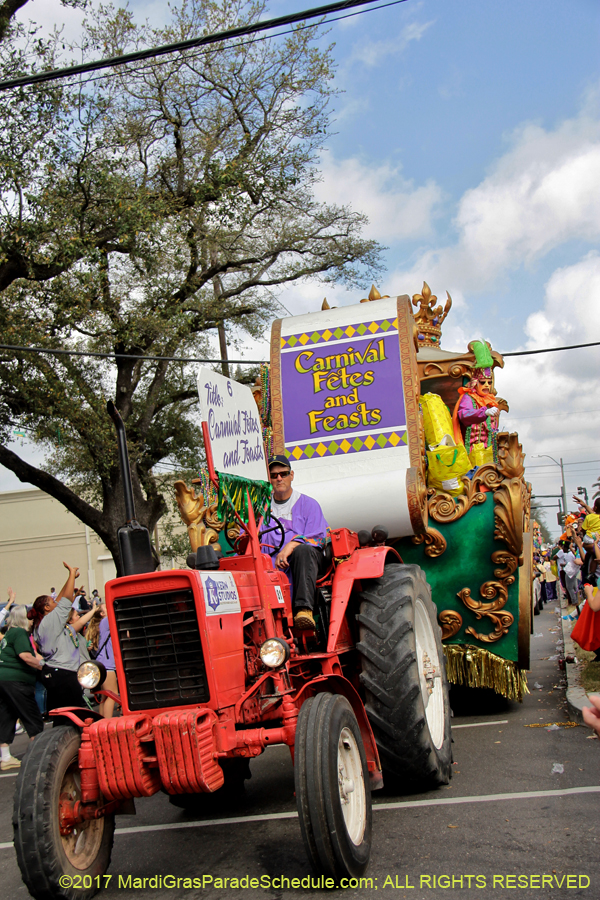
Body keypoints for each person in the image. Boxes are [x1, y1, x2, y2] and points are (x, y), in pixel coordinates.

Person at [260, 455, 328, 630]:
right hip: (270, 566)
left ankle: (304, 610)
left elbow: (319, 537)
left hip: (303, 563)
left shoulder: (308, 504)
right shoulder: (260, 508)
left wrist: (290, 546)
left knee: (303, 551)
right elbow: (248, 536)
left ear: (292, 475)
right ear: (269, 479)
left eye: (283, 473)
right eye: (274, 475)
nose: (279, 478)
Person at [27, 563, 98, 726]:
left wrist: (70, 577)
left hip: (56, 673)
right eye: (52, 602)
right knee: (74, 716)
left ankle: (65, 745)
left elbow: (62, 602)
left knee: (63, 717)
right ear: (46, 607)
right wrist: (72, 575)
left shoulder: (47, 625)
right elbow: (64, 601)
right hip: (63, 674)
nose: (55, 602)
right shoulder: (50, 622)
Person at [0, 606, 45, 770]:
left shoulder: (9, 634)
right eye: (30, 617)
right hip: (16, 680)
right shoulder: (20, 633)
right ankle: (36, 757)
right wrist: (44, 666)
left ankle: (5, 758)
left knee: (6, 716)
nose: (32, 620)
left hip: (3, 679)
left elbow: (32, 654)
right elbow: (26, 656)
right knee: (31, 716)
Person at [452, 341, 500, 459]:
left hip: (489, 452)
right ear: (475, 383)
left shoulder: (491, 401)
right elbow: (464, 414)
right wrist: (484, 412)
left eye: (489, 382)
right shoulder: (468, 397)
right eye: (483, 382)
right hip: (471, 452)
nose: (487, 386)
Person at [95, 615, 119, 718]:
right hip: (107, 665)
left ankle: (102, 721)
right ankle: (107, 721)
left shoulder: (103, 628)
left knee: (104, 696)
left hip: (101, 664)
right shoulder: (106, 622)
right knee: (112, 695)